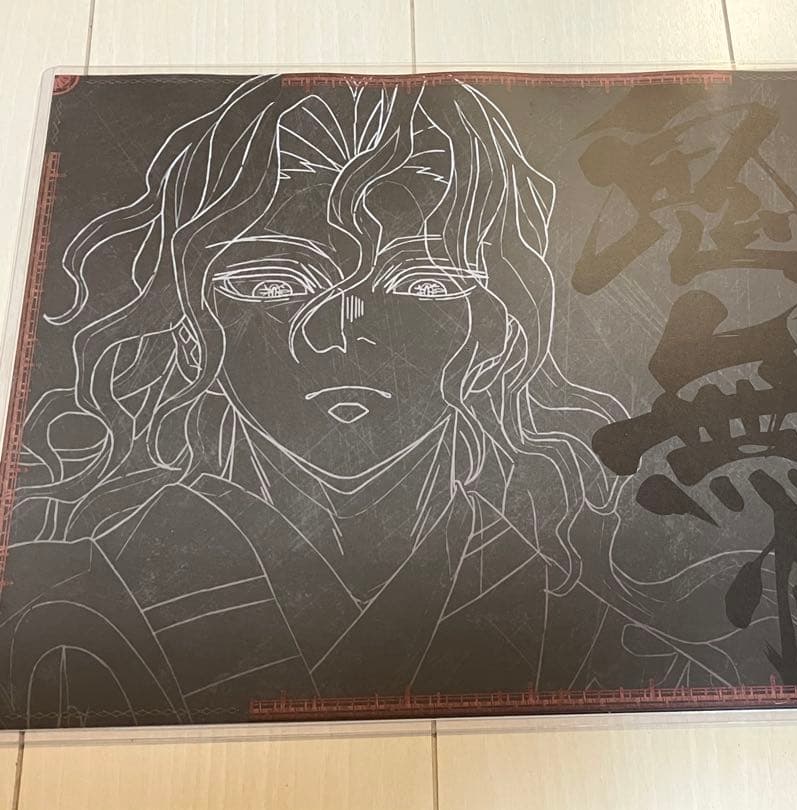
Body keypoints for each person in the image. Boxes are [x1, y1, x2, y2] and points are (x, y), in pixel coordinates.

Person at [0, 76, 649, 726]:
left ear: (497, 324)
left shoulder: (576, 587)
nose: (342, 333)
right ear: (194, 322)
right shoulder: (63, 602)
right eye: (271, 283)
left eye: (424, 283)